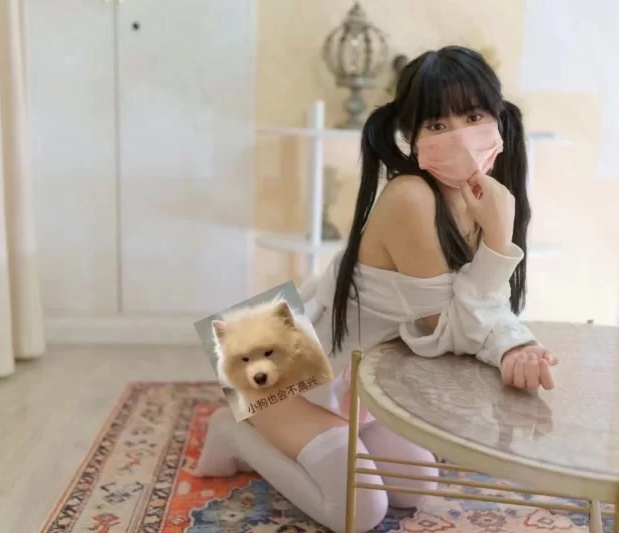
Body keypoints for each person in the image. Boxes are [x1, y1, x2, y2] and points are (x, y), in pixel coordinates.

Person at [195, 45, 558, 533]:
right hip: (281, 369)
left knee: (416, 487)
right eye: (437, 124)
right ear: (412, 138)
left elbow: (480, 310)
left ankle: (337, 435)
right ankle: (234, 432)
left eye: (473, 116)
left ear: (499, 119)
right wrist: (498, 239)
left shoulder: (482, 199)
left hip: (355, 378)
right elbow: (445, 330)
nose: (459, 136)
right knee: (360, 513)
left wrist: (517, 345)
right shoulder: (411, 197)